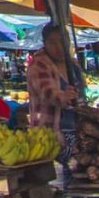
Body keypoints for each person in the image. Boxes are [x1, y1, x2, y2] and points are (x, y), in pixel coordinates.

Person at [27, 24, 84, 169]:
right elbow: (48, 93)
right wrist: (64, 96)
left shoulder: (73, 64)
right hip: (51, 132)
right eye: (53, 42)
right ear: (44, 43)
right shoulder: (39, 64)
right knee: (63, 175)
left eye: (62, 41)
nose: (59, 47)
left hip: (76, 130)